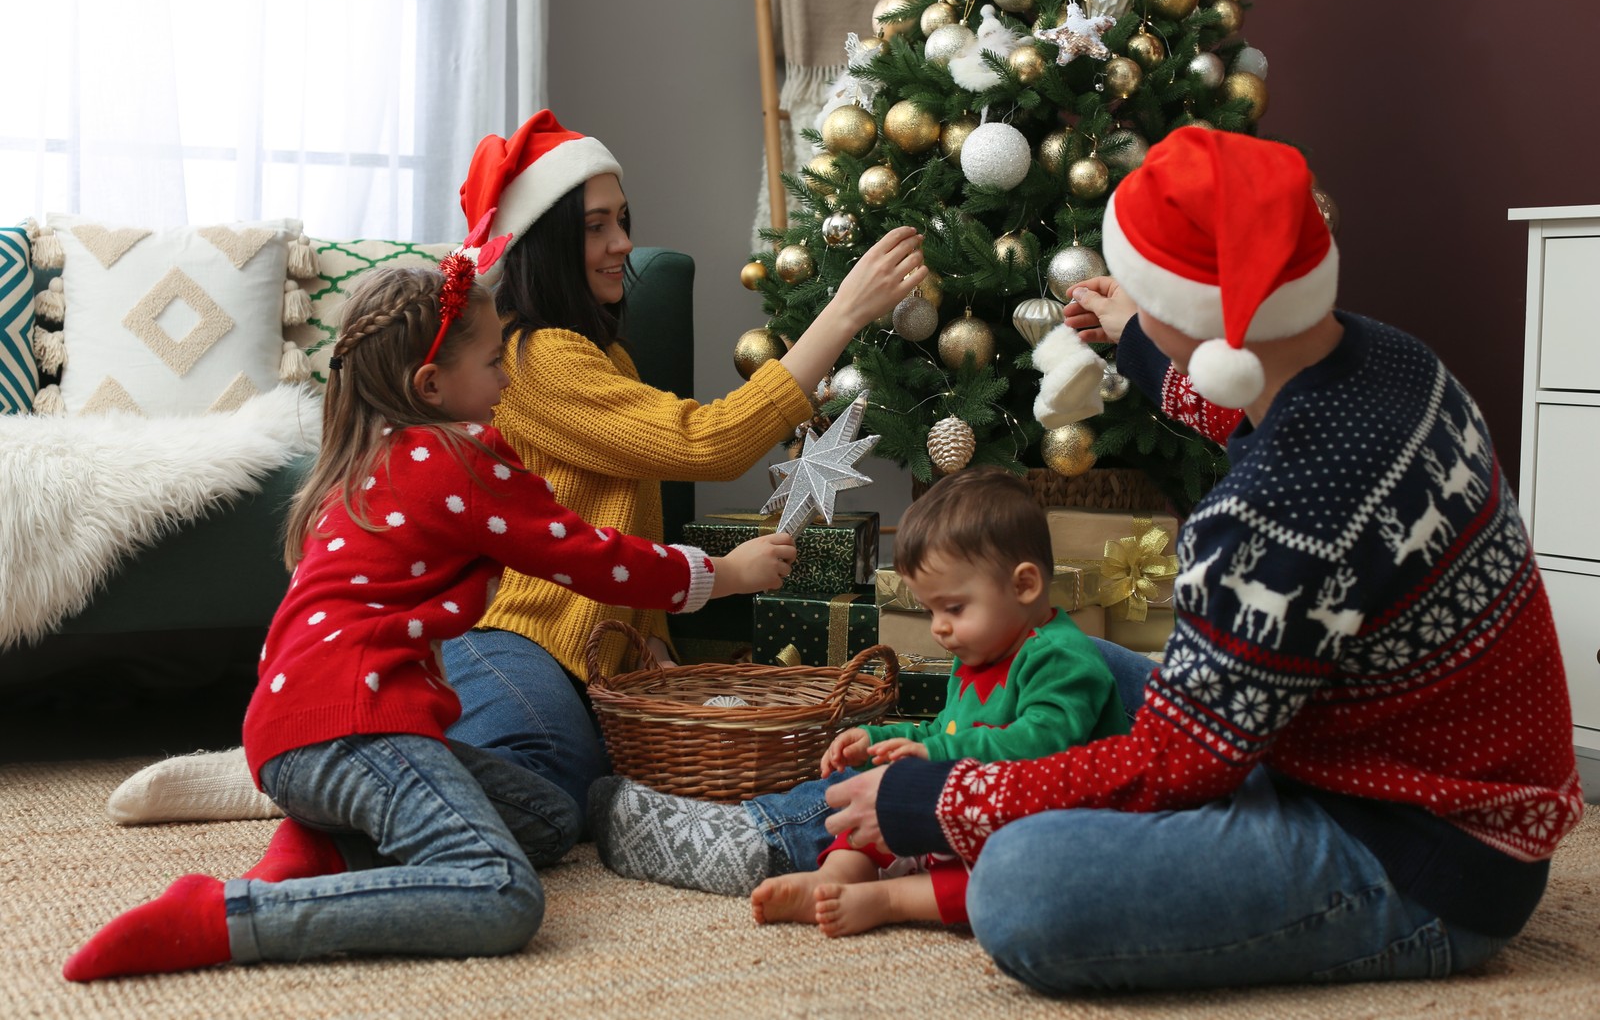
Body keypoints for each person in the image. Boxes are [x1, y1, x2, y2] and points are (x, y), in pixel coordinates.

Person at [594, 127, 1586, 991]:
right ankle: (797, 826)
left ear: (1203, 316)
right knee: (1061, 658)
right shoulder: (1390, 359)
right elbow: (1248, 404)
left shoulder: (1277, 513)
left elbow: (1178, 762)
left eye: (1149, 296)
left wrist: (935, 801)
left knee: (1032, 884)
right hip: (1348, 742)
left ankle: (858, 828)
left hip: (1418, 851)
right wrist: (1138, 344)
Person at [100, 109, 926, 826]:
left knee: (582, 787)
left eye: (622, 219)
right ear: (548, 243)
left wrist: (650, 643)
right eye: (597, 226)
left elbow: (614, 522)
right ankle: (318, 772)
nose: (623, 244)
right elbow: (706, 443)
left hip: (581, 652)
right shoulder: (539, 359)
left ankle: (359, 764)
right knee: (549, 777)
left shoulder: (598, 355)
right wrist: (844, 312)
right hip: (509, 638)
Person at [61, 258, 796, 981]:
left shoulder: (365, 461)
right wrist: (722, 574)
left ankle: (324, 846)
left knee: (546, 816)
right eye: (491, 359)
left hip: (291, 731)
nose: (508, 375)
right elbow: (583, 553)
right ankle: (230, 917)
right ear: (432, 385)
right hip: (355, 724)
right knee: (501, 894)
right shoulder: (460, 456)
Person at [747, 466, 1126, 937]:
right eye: (931, 611)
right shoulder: (979, 655)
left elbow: (1041, 745)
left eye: (954, 608)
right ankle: (832, 880)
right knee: (873, 815)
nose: (938, 628)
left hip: (1047, 822)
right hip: (963, 810)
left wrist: (936, 757)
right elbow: (941, 731)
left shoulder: (1063, 660)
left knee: (1005, 875)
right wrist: (880, 740)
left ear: (1024, 585)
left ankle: (887, 899)